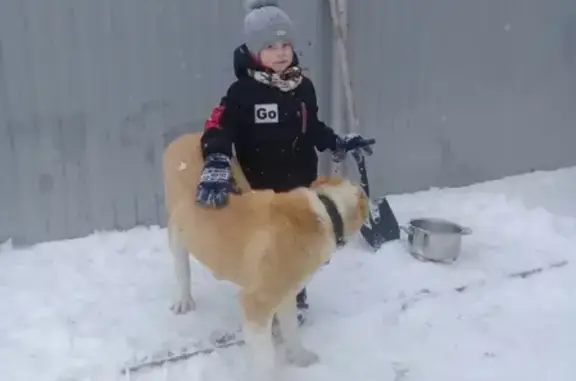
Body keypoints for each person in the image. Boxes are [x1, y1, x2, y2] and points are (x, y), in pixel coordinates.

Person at [195, 0, 375, 324]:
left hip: (300, 185)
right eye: (270, 46)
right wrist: (217, 159)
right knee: (269, 248)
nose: (281, 53)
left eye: (286, 44)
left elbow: (313, 128)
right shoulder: (242, 93)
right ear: (253, 51)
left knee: (299, 245)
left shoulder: (303, 88)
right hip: (262, 190)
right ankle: (267, 298)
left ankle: (295, 291)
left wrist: (337, 141)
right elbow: (217, 127)